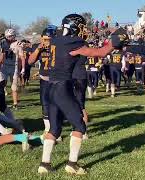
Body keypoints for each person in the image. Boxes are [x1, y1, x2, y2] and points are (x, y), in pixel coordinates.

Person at [38, 14, 128, 175]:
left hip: (49, 88)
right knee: (79, 125)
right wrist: (115, 41)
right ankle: (72, 164)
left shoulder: (55, 40)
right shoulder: (74, 41)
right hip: (62, 88)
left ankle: (44, 164)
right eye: (81, 26)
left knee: (54, 129)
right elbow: (100, 53)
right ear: (74, 26)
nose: (83, 30)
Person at [28, 25, 57, 134]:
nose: (45, 41)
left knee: (56, 104)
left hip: (57, 79)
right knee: (45, 103)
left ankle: (56, 128)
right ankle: (47, 129)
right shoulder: (38, 47)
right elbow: (30, 62)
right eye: (43, 39)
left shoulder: (58, 47)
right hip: (44, 79)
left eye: (47, 39)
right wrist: (37, 50)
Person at [0, 29, 25, 110]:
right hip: (5, 66)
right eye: (7, 36)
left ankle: (15, 103)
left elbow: (22, 57)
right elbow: (2, 55)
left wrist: (23, 68)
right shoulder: (3, 42)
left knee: (14, 86)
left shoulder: (18, 44)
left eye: (10, 36)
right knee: (2, 85)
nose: (8, 38)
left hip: (14, 66)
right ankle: (2, 103)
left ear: (13, 36)